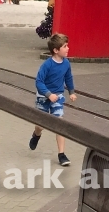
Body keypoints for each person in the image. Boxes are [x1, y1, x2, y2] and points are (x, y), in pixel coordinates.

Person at [29, 32, 77, 166]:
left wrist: (71, 92)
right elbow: (39, 82)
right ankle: (36, 134)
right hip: (43, 97)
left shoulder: (66, 63)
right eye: (65, 46)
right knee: (41, 124)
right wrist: (48, 94)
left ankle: (62, 154)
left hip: (58, 97)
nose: (68, 48)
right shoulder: (47, 65)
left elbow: (68, 78)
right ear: (56, 50)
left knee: (59, 124)